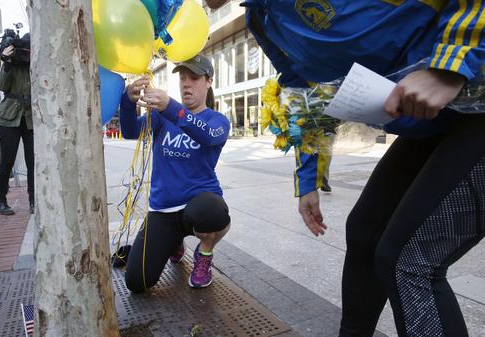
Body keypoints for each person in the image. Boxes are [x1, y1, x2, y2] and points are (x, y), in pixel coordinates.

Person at [204, 2, 485, 336]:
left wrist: (449, 64)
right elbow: (302, 91)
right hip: (440, 120)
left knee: (408, 261)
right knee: (364, 231)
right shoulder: (262, 19)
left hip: (473, 91)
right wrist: (308, 181)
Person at [120, 55, 231, 291]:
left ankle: (204, 254)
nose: (186, 84)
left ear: (209, 81)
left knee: (214, 212)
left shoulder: (218, 120)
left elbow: (208, 135)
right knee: (136, 282)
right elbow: (130, 131)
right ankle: (173, 243)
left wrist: (172, 107)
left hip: (198, 204)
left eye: (194, 78)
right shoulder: (161, 117)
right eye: (182, 78)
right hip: (163, 209)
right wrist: (128, 101)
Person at [0, 33, 34, 215]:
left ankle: (34, 200)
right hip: (9, 118)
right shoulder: (10, 63)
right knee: (7, 161)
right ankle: (1, 201)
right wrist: (7, 62)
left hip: (30, 119)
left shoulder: (34, 65)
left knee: (33, 162)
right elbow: (2, 86)